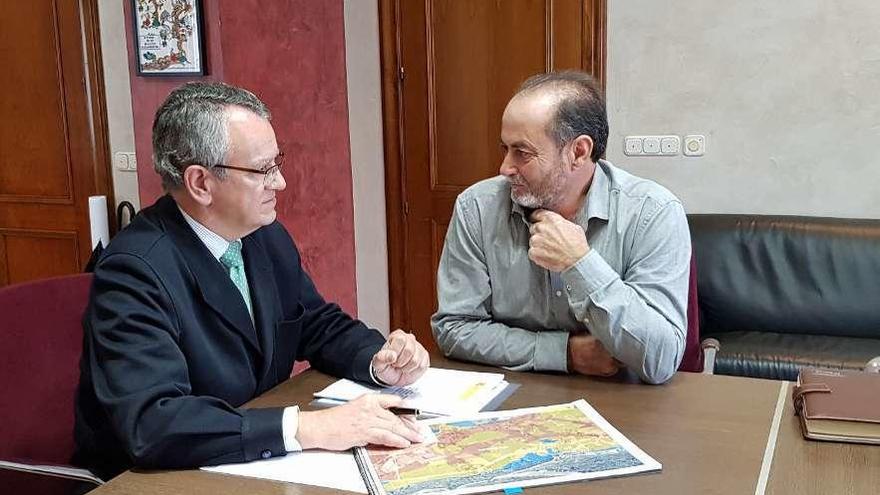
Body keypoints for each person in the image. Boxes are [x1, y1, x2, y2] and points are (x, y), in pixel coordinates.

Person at [74, 82, 429, 480]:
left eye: (277, 164)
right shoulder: (133, 271)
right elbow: (155, 422)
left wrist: (379, 360)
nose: (280, 183)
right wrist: (308, 428)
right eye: (263, 170)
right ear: (200, 183)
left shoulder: (262, 236)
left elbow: (314, 322)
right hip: (161, 478)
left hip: (249, 457)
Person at [431, 70, 690, 385]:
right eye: (505, 149)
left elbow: (660, 358)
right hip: (516, 395)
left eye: (522, 152)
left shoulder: (653, 212)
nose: (504, 168)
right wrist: (566, 354)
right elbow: (455, 328)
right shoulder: (477, 207)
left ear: (578, 152)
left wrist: (579, 263)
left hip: (624, 405)